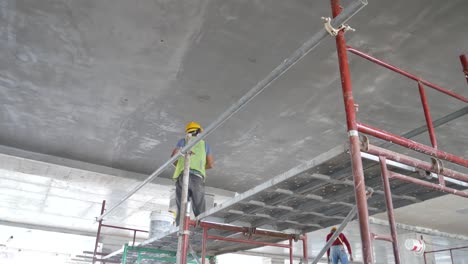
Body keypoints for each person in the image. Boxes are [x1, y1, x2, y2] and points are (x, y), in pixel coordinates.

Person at [171, 121, 214, 225]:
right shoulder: (204, 145)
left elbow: (173, 158)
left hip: (182, 176)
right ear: (198, 132)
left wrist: (182, 166)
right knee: (199, 206)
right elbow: (211, 164)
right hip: (197, 177)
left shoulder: (183, 141)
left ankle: (179, 228)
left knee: (181, 206)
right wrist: (199, 167)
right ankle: (202, 227)